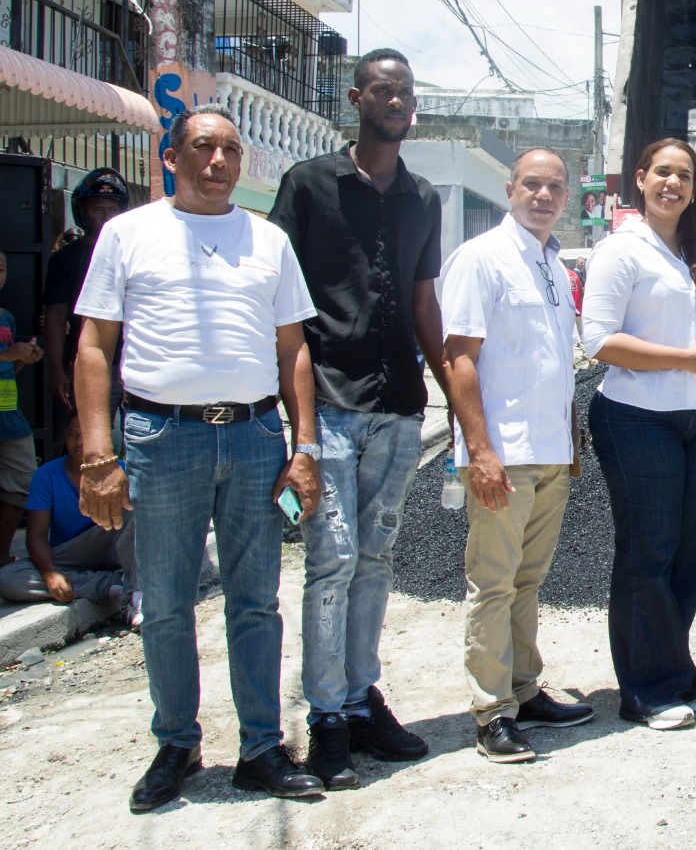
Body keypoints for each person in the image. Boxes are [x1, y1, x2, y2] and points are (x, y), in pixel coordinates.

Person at [75, 104, 325, 811]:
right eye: (204, 148)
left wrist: (303, 447)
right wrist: (98, 452)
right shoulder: (129, 234)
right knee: (165, 601)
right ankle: (177, 742)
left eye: (230, 150)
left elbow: (292, 351)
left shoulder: (269, 240)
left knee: (255, 601)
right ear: (172, 156)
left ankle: (260, 747)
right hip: (162, 439)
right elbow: (94, 346)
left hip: (253, 440)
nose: (218, 162)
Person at [269, 48, 446, 788]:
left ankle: (362, 693)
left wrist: (456, 401)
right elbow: (279, 306)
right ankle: (326, 718)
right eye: (383, 89)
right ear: (356, 98)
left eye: (405, 89)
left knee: (376, 559)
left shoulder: (424, 197)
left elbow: (423, 303)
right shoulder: (308, 185)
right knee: (331, 561)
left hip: (400, 405)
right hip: (331, 405)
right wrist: (297, 429)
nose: (396, 99)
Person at [442, 148, 593, 764]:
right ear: (510, 189)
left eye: (554, 187)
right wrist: (480, 451)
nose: (543, 196)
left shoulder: (555, 266)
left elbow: (557, 365)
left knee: (529, 581)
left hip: (551, 453)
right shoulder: (482, 260)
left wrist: (571, 441)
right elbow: (460, 359)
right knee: (494, 585)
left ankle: (525, 690)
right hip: (502, 455)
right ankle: (491, 711)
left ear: (566, 197)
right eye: (532, 185)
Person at [583, 138, 696, 731]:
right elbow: (597, 340)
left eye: (686, 176)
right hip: (637, 416)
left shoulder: (695, 250)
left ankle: (673, 667)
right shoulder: (621, 251)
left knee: (695, 548)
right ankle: (644, 689)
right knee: (649, 552)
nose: (674, 184)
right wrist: (680, 357)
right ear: (640, 179)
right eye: (663, 173)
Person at [0, 413, 136, 611]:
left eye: (86, 435)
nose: (79, 442)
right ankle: (112, 585)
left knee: (139, 508)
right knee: (8, 579)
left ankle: (130, 584)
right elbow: (36, 534)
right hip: (69, 554)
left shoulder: (121, 472)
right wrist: (50, 573)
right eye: (72, 434)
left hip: (113, 549)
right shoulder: (47, 475)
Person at [43, 168, 130, 415]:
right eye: (98, 209)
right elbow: (56, 317)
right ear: (83, 212)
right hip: (86, 360)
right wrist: (57, 369)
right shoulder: (64, 260)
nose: (106, 216)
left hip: (132, 362)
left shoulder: (133, 254)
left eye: (112, 209)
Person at [0, 251, 43, 553]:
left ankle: (2, 557)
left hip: (9, 416)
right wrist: (7, 354)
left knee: (21, 483)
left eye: (1, 269)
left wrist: (24, 359)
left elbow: (8, 368)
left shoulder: (6, 317)